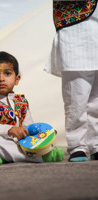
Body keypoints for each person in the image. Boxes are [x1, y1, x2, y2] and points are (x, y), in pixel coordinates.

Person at [0, 51, 64, 165]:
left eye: (7, 73)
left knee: (40, 138)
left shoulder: (21, 102)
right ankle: (39, 158)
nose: (1, 78)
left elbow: (28, 127)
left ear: (17, 79)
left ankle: (6, 156)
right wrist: (9, 129)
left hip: (16, 143)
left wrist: (40, 134)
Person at [44, 0, 98, 162]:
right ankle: (77, 146)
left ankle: (96, 145)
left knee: (96, 100)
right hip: (76, 31)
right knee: (76, 98)